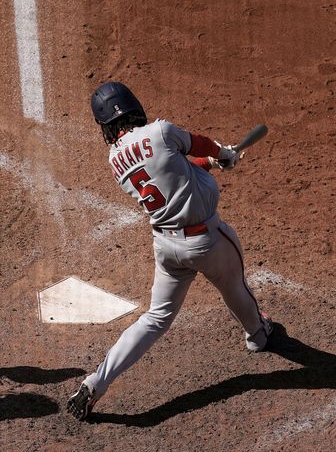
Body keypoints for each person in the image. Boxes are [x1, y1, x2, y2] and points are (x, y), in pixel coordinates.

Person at [66, 81, 273, 420]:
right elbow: (198, 144)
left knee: (155, 319)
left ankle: (96, 382)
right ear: (133, 106)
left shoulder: (116, 162)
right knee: (233, 286)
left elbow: (173, 172)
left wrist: (212, 163)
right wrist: (223, 154)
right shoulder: (161, 131)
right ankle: (258, 335)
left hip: (168, 248)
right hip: (208, 240)